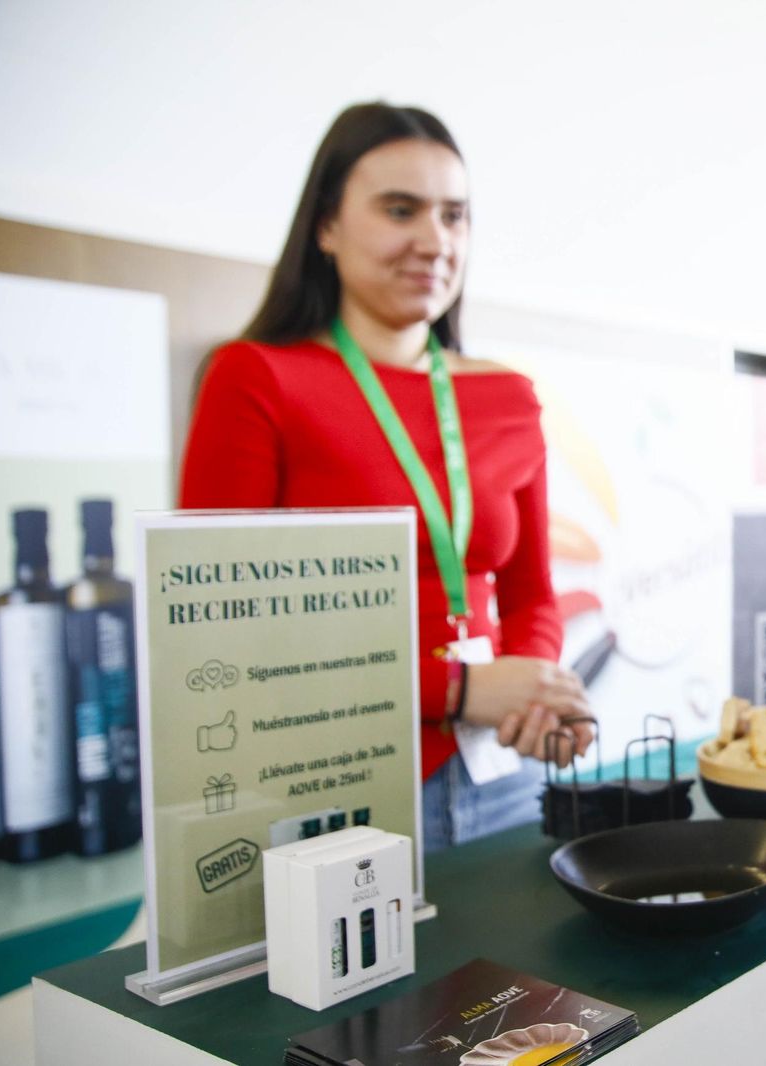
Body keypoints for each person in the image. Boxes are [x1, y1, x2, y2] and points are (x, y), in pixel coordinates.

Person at [180, 103, 592, 851]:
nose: (435, 240)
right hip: (335, 786)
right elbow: (223, 635)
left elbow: (531, 592)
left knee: (521, 971)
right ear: (326, 228)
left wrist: (531, 685)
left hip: (502, 774)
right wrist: (461, 690)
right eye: (401, 210)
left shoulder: (506, 396)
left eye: (455, 215)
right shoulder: (256, 379)